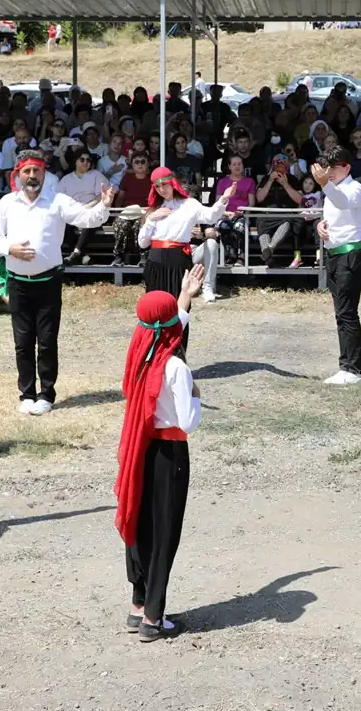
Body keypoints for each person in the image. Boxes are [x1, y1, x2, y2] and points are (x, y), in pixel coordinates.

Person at [0, 150, 115, 415]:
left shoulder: (57, 201)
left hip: (48, 281)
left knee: (46, 340)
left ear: (44, 174)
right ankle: (27, 393)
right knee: (22, 342)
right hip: (18, 283)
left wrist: (104, 204)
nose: (32, 176)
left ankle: (46, 393)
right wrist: (10, 248)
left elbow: (88, 219)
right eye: (27, 171)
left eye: (37, 171)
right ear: (18, 174)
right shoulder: (8, 202)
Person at [115, 266, 205, 643]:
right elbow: (187, 422)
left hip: (141, 449)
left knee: (141, 524)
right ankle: (155, 618)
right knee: (165, 533)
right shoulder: (177, 368)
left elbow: (164, 329)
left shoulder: (140, 353)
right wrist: (198, 396)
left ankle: (139, 605)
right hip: (170, 455)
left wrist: (184, 297)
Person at [137, 167, 232, 314]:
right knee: (155, 306)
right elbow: (142, 243)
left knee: (179, 305)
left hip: (178, 258)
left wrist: (224, 199)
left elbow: (211, 216)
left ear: (173, 183)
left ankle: (179, 336)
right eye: (157, 186)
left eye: (165, 184)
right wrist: (151, 219)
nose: (162, 189)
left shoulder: (189, 204)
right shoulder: (153, 210)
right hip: (155, 259)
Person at [313, 145, 361, 385]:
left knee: (347, 312)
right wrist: (320, 226)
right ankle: (348, 364)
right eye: (327, 169)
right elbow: (333, 214)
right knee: (341, 312)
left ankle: (353, 369)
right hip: (334, 254)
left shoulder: (355, 188)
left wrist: (324, 184)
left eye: (333, 168)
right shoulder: (332, 190)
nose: (329, 173)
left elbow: (343, 202)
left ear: (346, 167)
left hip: (350, 254)